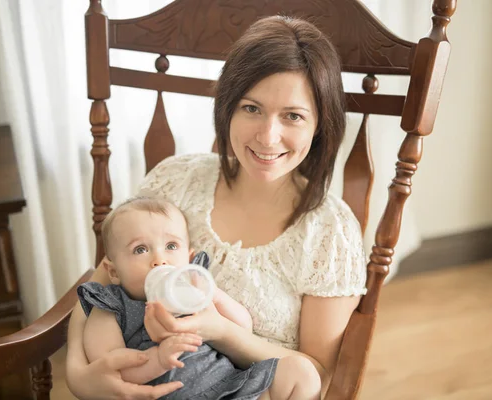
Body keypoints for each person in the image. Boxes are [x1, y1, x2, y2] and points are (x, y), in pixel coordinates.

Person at [66, 15, 367, 400]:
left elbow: (318, 375)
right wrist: (78, 374)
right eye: (252, 108)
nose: (267, 136)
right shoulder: (175, 183)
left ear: (320, 125)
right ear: (227, 108)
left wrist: (222, 331)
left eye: (292, 115)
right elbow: (99, 290)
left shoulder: (330, 232)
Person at [77, 196, 317, 399]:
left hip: (230, 386)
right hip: (167, 394)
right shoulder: (111, 306)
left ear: (190, 259)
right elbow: (110, 370)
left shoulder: (194, 289)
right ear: (114, 271)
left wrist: (211, 294)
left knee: (300, 372)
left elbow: (244, 325)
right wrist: (158, 359)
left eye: (171, 246)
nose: (160, 260)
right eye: (140, 249)